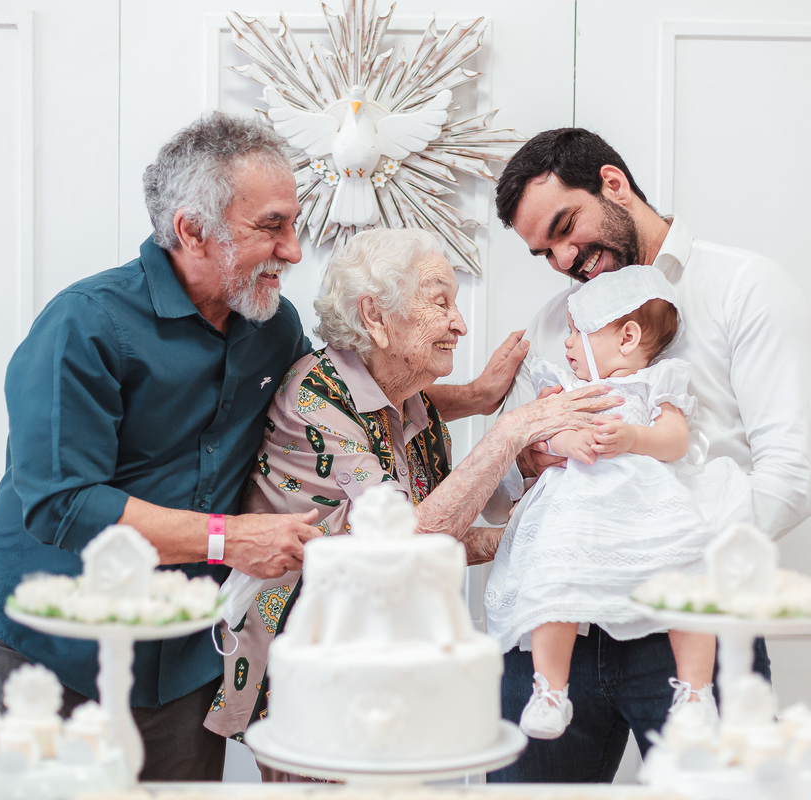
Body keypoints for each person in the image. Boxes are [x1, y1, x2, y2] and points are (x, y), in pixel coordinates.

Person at [0, 113, 524, 782]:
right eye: (271, 227)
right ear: (191, 230)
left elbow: (340, 398)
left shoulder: (271, 326)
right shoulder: (84, 324)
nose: (294, 250)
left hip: (182, 656)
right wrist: (230, 540)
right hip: (51, 645)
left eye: (292, 225)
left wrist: (477, 398)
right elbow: (63, 505)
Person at [203, 228, 621, 766]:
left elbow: (442, 527)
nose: (460, 324)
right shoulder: (315, 397)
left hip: (390, 655)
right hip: (315, 662)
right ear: (375, 316)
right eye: (440, 301)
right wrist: (510, 430)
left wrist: (539, 518)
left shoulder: (409, 401)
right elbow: (408, 541)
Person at [485, 128, 811, 782]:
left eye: (566, 227)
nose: (563, 259)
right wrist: (530, 460)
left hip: (685, 629)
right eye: (544, 252)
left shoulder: (744, 287)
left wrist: (675, 564)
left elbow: (795, 476)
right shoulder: (557, 324)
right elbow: (507, 479)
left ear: (614, 184)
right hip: (562, 633)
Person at [485, 265, 751, 741]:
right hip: (577, 509)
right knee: (555, 582)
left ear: (627, 337)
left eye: (576, 331)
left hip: (646, 504)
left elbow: (674, 441)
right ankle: (550, 689)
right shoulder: (566, 386)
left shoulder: (658, 383)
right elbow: (543, 433)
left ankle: (695, 693)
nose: (566, 343)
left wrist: (633, 435)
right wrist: (565, 442)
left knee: (688, 582)